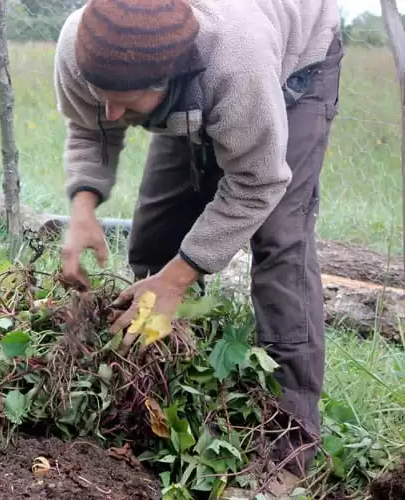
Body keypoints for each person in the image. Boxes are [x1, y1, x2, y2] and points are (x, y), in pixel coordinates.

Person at [53, 0, 343, 492]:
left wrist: (181, 276)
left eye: (127, 101)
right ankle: (165, 387)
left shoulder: (235, 62)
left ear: (171, 77)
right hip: (199, 76)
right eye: (104, 94)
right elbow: (90, 126)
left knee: (279, 241)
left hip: (297, 58)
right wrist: (83, 207)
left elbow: (257, 182)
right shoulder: (82, 44)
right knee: (154, 238)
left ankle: (287, 450)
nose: (113, 113)